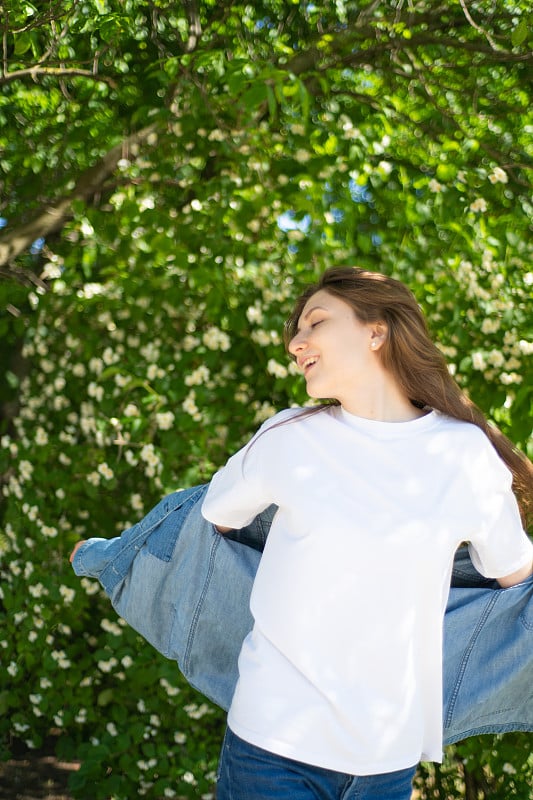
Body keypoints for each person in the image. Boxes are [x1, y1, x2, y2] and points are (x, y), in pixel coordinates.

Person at [200, 266, 533, 800]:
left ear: (376, 331)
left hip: (389, 760)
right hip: (272, 745)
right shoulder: (289, 438)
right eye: (295, 330)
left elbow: (516, 577)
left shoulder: (465, 456)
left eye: (315, 322)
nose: (295, 342)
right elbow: (211, 520)